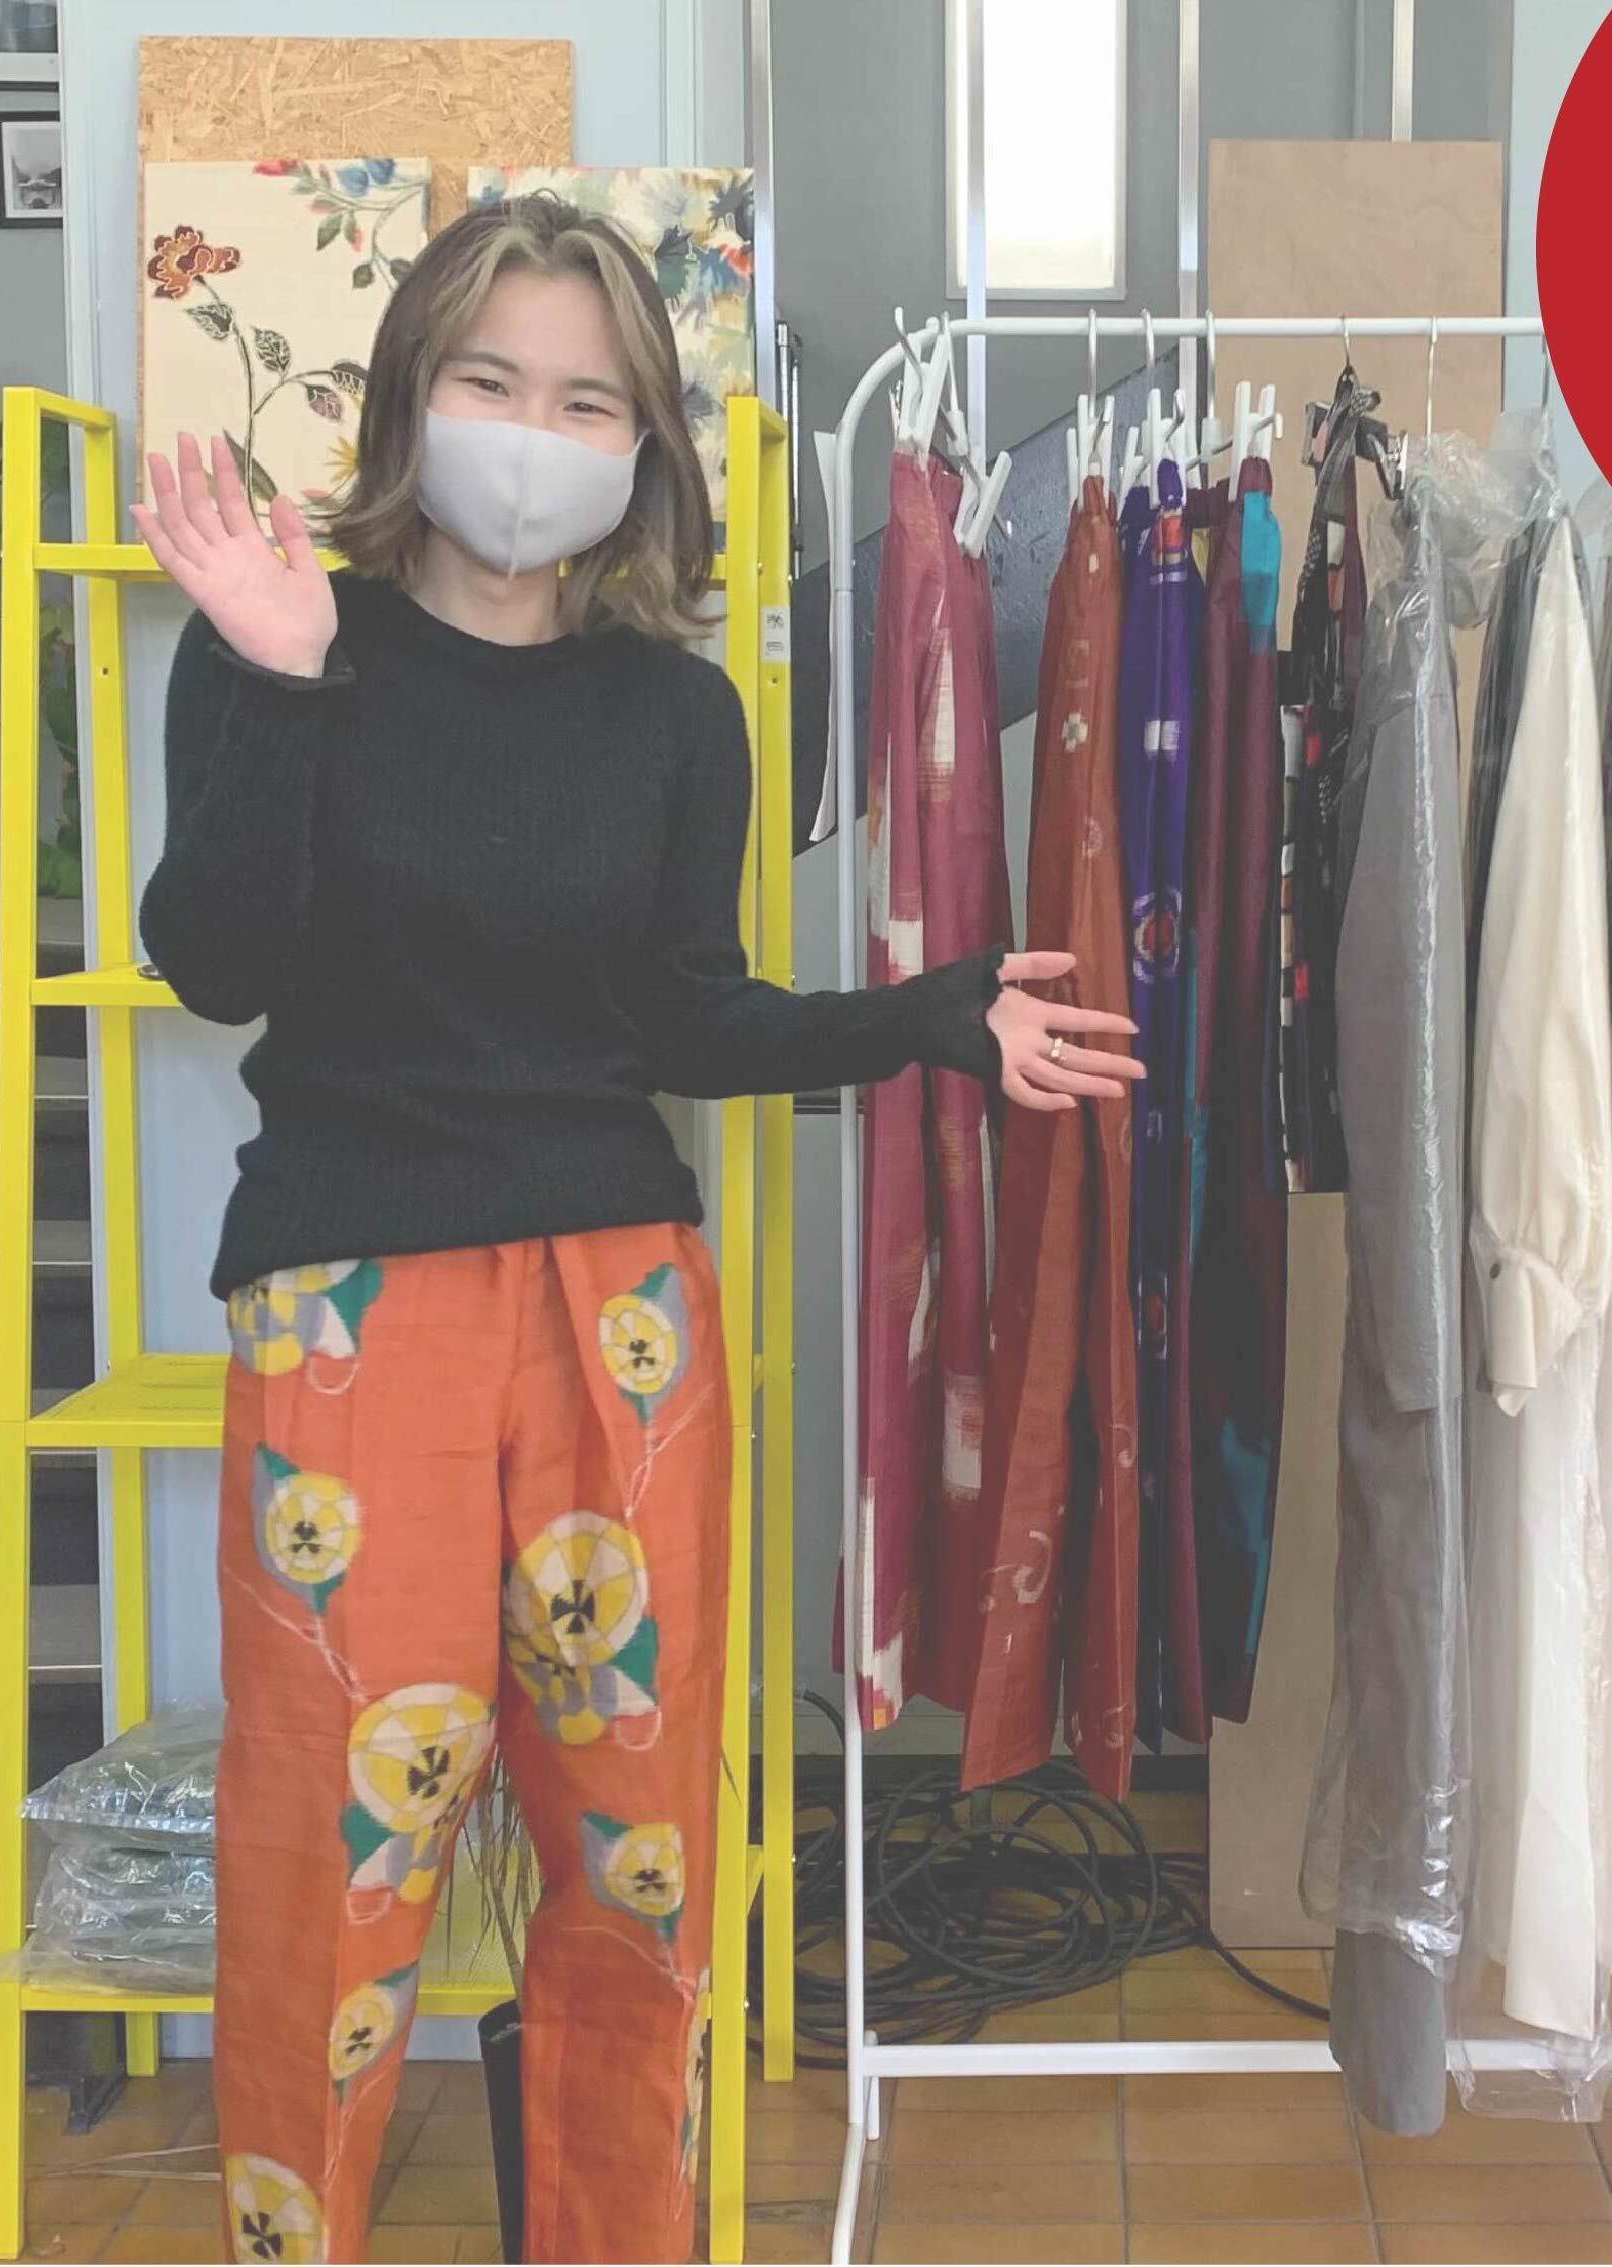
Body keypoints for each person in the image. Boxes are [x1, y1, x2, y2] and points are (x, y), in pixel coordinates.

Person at [132, 192, 1138, 2266]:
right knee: (331, 1854)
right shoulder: (278, 636)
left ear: (644, 442)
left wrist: (934, 1018)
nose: (535, 432)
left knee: (637, 1857)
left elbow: (682, 1018)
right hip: (349, 1303)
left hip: (621, 1313)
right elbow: (212, 967)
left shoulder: (676, 717)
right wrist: (290, 683)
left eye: (587, 400)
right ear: (413, 392)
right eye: (491, 380)